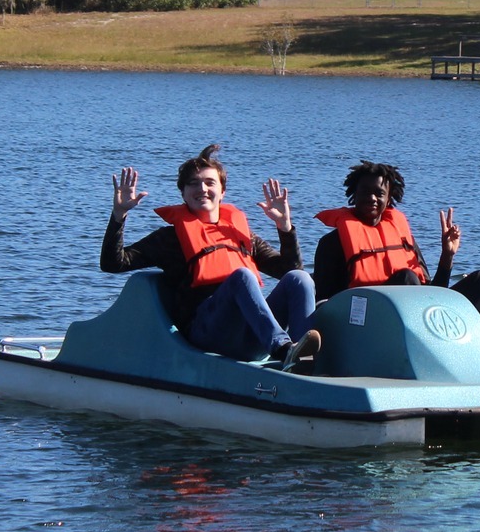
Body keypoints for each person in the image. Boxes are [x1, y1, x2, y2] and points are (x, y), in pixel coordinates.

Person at [102, 144, 321, 368]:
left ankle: (304, 361)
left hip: (251, 334)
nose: (202, 189)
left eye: (209, 182)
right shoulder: (170, 238)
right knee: (242, 277)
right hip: (207, 334)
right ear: (183, 193)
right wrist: (119, 215)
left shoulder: (241, 235)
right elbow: (114, 263)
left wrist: (284, 228)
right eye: (193, 184)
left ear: (222, 191)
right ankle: (285, 350)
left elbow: (289, 269)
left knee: (300, 279)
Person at [312, 160, 480, 344]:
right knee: (407, 278)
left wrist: (447, 255)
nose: (372, 198)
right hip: (363, 325)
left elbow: (434, 293)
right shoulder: (331, 243)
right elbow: (324, 306)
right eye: (365, 192)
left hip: (419, 322)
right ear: (354, 194)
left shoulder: (402, 238)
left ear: (389, 198)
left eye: (379, 193)